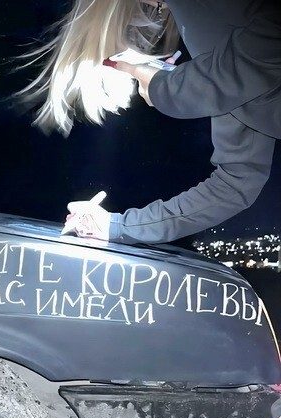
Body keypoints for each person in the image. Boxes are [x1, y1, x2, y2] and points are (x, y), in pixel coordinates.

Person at [22, 0, 281, 418]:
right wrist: (117, 227)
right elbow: (235, 182)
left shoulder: (223, 40)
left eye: (124, 77)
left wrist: (162, 87)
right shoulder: (220, 65)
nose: (139, 95)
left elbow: (261, 54)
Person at [21, 0, 280, 244]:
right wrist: (115, 226)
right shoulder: (223, 75)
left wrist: (171, 87)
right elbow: (235, 184)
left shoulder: (218, 74)